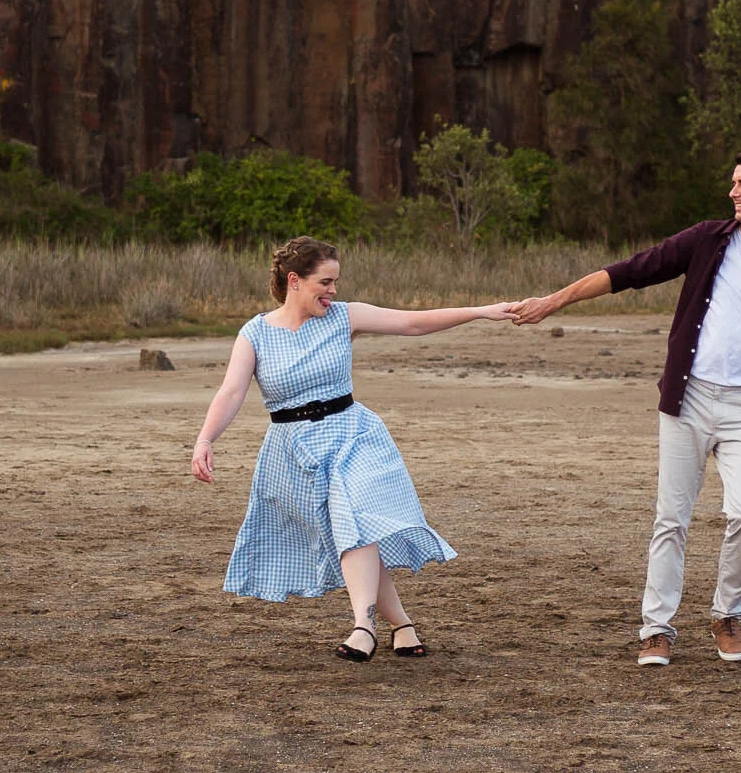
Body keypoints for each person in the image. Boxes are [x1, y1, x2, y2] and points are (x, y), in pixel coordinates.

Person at [510, 149, 741, 667]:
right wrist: (551, 302)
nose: (733, 192)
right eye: (733, 183)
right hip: (687, 397)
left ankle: (726, 615)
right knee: (671, 519)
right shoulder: (707, 240)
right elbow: (631, 271)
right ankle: (656, 630)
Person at [191, 235, 514, 661]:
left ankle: (364, 625)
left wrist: (481, 311)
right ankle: (402, 625)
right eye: (325, 282)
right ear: (294, 280)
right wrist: (205, 439)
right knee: (354, 532)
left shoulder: (345, 316)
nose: (333, 290)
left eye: (336, 282)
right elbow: (231, 392)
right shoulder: (255, 333)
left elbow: (413, 323)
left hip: (352, 435)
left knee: (353, 518)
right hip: (295, 449)